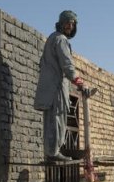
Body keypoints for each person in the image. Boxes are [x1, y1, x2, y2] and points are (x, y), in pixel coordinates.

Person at [33, 10, 84, 162]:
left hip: (50, 87)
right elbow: (67, 64)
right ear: (61, 24)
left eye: (72, 23)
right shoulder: (60, 40)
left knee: (52, 120)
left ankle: (52, 151)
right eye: (68, 23)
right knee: (57, 119)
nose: (70, 26)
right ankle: (53, 152)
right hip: (56, 87)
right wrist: (77, 79)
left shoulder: (51, 38)